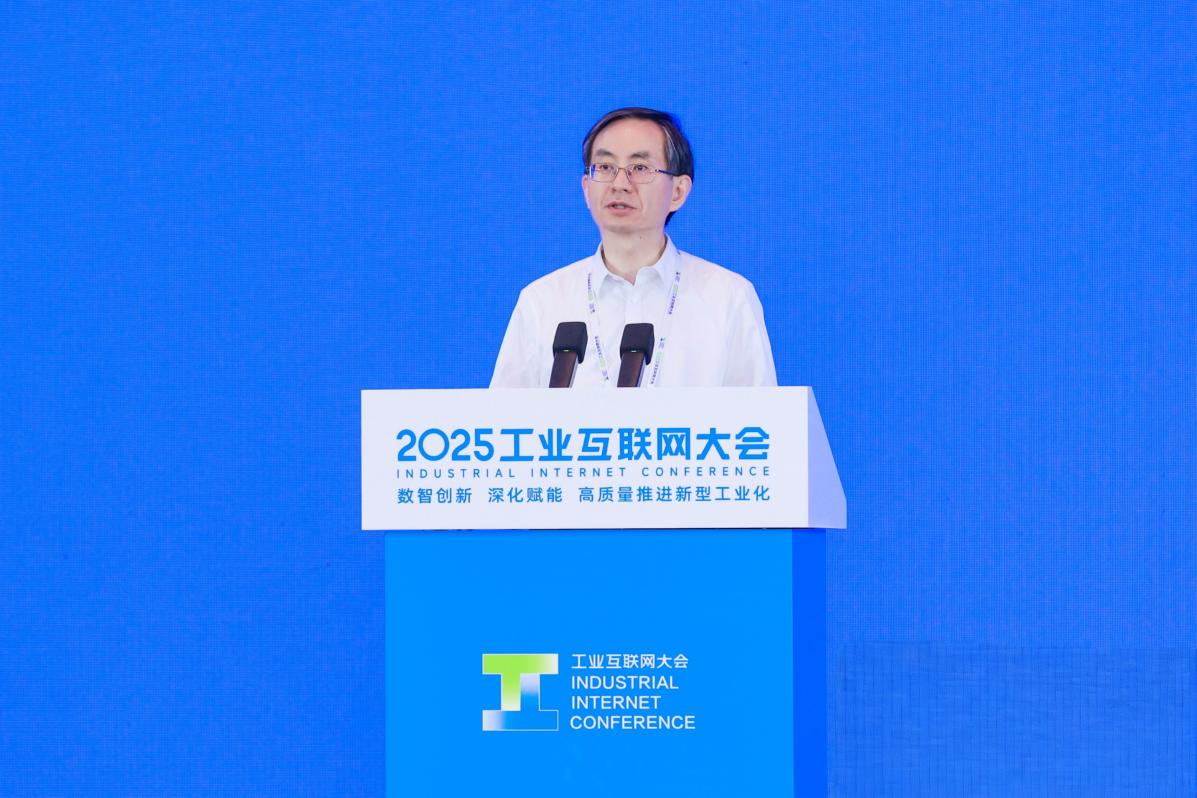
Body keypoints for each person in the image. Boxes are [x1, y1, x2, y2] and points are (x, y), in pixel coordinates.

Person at [490, 107, 777, 388]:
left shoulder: (728, 297)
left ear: (678, 192)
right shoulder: (542, 302)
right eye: (605, 167)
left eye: (640, 168)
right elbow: (502, 417)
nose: (619, 184)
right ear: (586, 188)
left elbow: (762, 416)